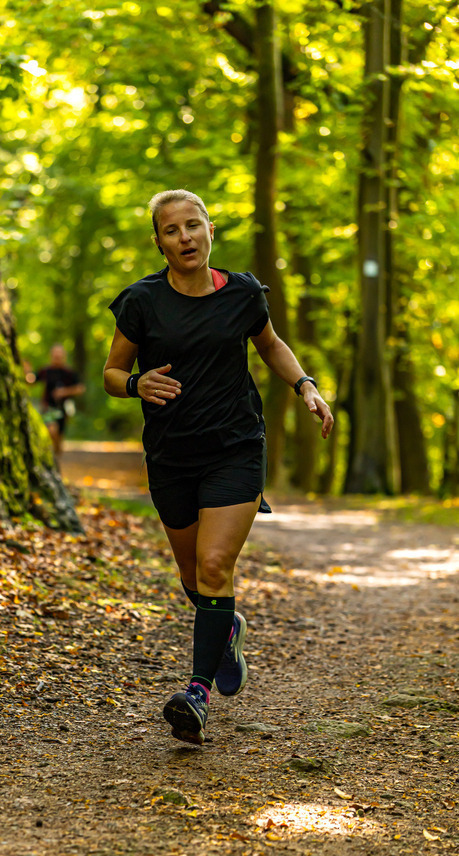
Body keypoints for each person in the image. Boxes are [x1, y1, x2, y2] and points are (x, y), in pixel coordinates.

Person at [104, 189, 333, 746]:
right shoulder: (142, 301)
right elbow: (112, 373)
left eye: (193, 226)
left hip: (235, 447)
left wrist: (305, 385)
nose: (184, 237)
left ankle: (197, 695)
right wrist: (136, 384)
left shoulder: (244, 293)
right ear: (158, 242)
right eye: (171, 230)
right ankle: (225, 627)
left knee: (212, 565)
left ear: (210, 230)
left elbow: (271, 345)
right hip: (171, 456)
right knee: (193, 578)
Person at [28, 345, 85, 458]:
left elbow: (80, 388)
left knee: (59, 434)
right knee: (51, 430)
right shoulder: (45, 370)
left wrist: (64, 392)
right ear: (51, 356)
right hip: (48, 406)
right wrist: (26, 372)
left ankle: (57, 453)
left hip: (64, 408)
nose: (57, 358)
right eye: (55, 356)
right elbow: (32, 380)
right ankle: (52, 453)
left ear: (64, 357)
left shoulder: (69, 372)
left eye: (59, 356)